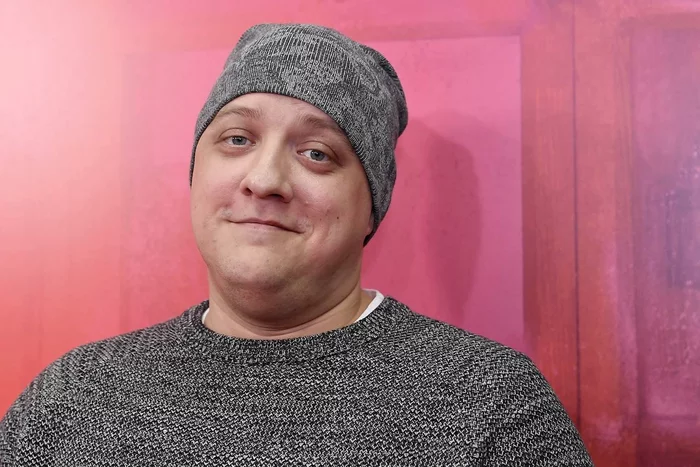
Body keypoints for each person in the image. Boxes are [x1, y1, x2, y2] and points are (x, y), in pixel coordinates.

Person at [0, 23, 594, 466]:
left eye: (317, 153)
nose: (264, 180)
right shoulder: (72, 400)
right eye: (237, 139)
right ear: (196, 174)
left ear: (371, 206)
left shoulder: (490, 406)